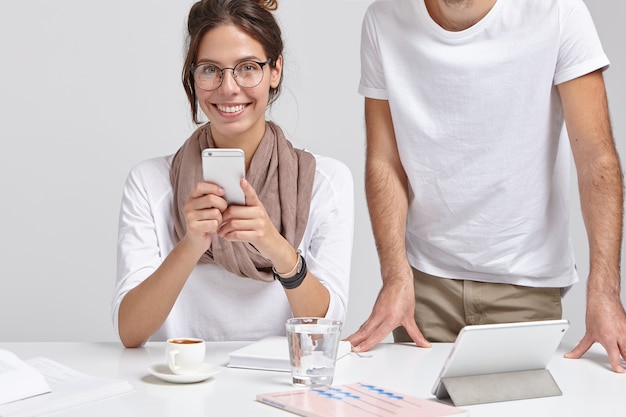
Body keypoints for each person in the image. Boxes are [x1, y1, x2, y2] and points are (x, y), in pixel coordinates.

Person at [346, 0, 626, 373]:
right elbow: (384, 160)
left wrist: (605, 292)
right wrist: (396, 276)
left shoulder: (557, 11)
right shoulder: (384, 18)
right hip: (426, 286)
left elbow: (596, 159)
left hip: (524, 286)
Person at [112, 0, 353, 348]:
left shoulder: (325, 181)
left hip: (278, 383)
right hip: (181, 387)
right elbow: (131, 332)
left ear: (275, 70)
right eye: (210, 69)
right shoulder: (149, 181)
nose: (228, 88)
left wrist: (275, 245)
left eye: (248, 67)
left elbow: (323, 334)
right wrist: (192, 244)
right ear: (192, 77)